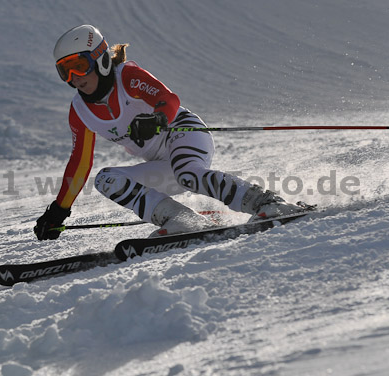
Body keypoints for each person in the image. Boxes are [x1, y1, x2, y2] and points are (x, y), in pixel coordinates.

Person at [34, 24, 307, 240]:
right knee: (106, 179)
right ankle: (180, 221)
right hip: (162, 165)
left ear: (100, 59)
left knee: (188, 173)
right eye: (64, 71)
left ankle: (267, 202)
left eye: (78, 66)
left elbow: (169, 99)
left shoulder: (126, 77)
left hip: (185, 132)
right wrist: (58, 211)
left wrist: (157, 119)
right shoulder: (80, 111)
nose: (74, 78)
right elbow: (80, 163)